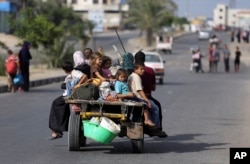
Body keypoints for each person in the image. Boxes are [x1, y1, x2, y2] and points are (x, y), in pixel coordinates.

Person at [48, 51, 91, 140]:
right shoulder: (84, 66)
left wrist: (77, 85)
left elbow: (84, 76)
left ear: (64, 69)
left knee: (56, 103)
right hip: (73, 93)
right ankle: (59, 128)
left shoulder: (75, 71)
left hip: (73, 94)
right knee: (58, 104)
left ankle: (57, 129)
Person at [128, 62, 166, 137]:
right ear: (135, 69)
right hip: (138, 98)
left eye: (143, 69)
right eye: (141, 69)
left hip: (133, 98)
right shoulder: (136, 77)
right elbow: (140, 90)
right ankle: (154, 129)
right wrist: (147, 101)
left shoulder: (132, 76)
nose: (143, 71)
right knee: (155, 108)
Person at [48, 61, 73, 140]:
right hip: (71, 93)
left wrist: (64, 84)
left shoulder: (74, 74)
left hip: (71, 95)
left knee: (56, 103)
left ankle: (57, 130)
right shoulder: (78, 71)